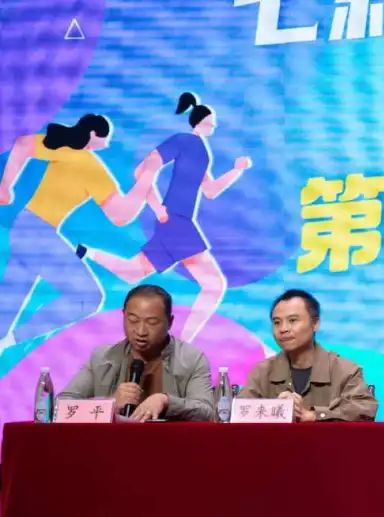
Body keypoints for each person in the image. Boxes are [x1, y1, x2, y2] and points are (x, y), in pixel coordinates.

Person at [81, 92, 252, 343]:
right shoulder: (183, 140)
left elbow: (211, 190)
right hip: (176, 221)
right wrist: (156, 206)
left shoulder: (202, 152)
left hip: (175, 222)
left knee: (132, 272)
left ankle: (85, 251)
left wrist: (237, 171)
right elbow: (143, 169)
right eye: (211, 121)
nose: (214, 126)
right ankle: (183, 343)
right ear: (201, 121)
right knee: (214, 285)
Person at [0, 114, 155, 351]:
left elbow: (22, 144)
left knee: (8, 303)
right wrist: (147, 179)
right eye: (105, 137)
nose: (107, 144)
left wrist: (5, 185)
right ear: (93, 134)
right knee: (87, 297)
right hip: (39, 235)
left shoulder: (65, 150)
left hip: (24, 228)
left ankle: (4, 340)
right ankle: (11, 340)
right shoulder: (89, 164)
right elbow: (121, 215)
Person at [58, 284, 214, 421]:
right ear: (123, 316)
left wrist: (166, 401)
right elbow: (62, 406)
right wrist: (109, 403)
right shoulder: (102, 358)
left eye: (152, 322)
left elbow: (207, 412)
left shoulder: (191, 359)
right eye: (133, 320)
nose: (140, 331)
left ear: (170, 322)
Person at [239, 289, 377, 421]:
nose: (283, 329)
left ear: (315, 323)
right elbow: (238, 413)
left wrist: (313, 416)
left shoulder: (345, 371)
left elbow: (365, 410)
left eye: (292, 320)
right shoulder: (262, 372)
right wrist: (275, 409)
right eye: (277, 322)